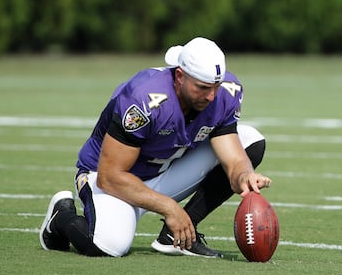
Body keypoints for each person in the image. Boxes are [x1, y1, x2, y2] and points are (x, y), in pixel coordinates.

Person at [39, 36, 271, 257]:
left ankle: (177, 236)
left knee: (250, 140)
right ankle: (61, 217)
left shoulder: (224, 93)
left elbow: (233, 156)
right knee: (108, 245)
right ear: (180, 76)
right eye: (202, 87)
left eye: (215, 87)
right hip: (112, 179)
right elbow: (110, 177)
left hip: (162, 171)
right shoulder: (143, 99)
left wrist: (244, 175)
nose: (211, 96)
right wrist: (170, 208)